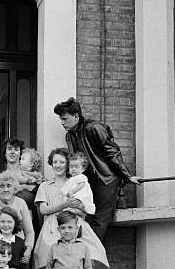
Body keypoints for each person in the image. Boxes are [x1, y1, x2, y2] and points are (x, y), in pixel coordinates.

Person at [54, 97, 141, 241]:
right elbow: (78, 159)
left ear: (76, 116)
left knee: (99, 220)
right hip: (88, 181)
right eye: (61, 120)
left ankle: (91, 256)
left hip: (107, 179)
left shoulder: (94, 128)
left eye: (65, 119)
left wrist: (127, 176)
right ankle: (85, 254)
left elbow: (112, 152)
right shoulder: (69, 135)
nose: (62, 123)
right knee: (87, 217)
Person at [33, 148, 108, 269]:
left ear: (68, 164)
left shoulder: (77, 183)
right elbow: (43, 210)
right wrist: (64, 204)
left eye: (62, 162)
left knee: (89, 251)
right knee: (52, 254)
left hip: (74, 222)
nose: (58, 165)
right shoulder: (45, 186)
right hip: (53, 225)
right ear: (51, 163)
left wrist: (79, 207)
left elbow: (85, 211)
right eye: (55, 162)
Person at [61, 152, 95, 216]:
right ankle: (73, 211)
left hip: (82, 197)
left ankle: (76, 211)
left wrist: (73, 191)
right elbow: (66, 187)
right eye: (71, 167)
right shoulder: (70, 179)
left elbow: (82, 184)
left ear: (83, 169)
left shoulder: (81, 176)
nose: (73, 169)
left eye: (76, 167)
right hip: (74, 198)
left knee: (79, 205)